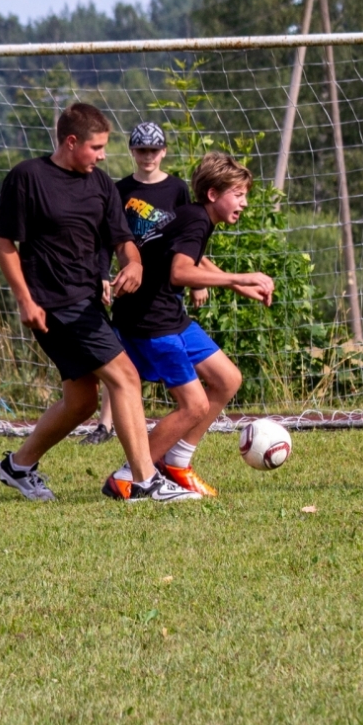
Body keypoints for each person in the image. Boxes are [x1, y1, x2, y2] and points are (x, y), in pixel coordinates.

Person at [0, 102, 197, 503]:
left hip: (88, 302)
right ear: (71, 142)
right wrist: (25, 300)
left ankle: (17, 465)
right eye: (97, 147)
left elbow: (122, 240)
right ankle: (144, 480)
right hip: (54, 302)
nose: (103, 155)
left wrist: (133, 265)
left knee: (82, 401)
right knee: (125, 377)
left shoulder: (101, 184)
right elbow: (4, 243)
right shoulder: (28, 178)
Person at [104, 151, 273, 499]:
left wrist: (238, 285)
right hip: (151, 320)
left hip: (168, 315)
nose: (244, 203)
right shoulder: (196, 220)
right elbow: (180, 271)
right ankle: (130, 476)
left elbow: (188, 256)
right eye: (238, 195)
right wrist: (242, 276)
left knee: (228, 379)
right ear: (213, 194)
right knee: (193, 404)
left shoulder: (193, 216)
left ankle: (178, 461)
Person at [83, 122, 194, 446]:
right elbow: (106, 239)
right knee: (118, 355)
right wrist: (103, 274)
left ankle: (184, 411)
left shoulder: (177, 189)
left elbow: (190, 237)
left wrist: (198, 280)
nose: (148, 156)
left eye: (154, 150)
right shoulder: (119, 190)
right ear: (132, 151)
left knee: (170, 350)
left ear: (164, 152)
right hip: (128, 285)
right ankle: (105, 425)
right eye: (142, 150)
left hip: (164, 286)